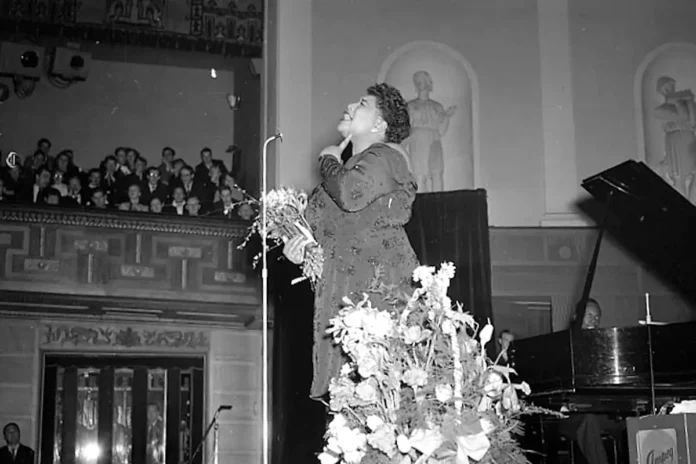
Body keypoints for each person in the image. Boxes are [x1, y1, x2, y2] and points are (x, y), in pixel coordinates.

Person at [283, 83, 420, 399]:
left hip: (376, 295)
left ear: (379, 124)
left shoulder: (387, 156)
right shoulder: (347, 169)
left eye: (361, 103)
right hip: (341, 297)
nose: (349, 105)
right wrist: (300, 252)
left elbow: (351, 194)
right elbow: (320, 231)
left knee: (381, 399)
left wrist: (329, 159)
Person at [560, 298, 613, 464]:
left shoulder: (604, 345)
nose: (594, 320)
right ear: (576, 316)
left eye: (597, 317)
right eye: (589, 315)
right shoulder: (563, 344)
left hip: (599, 408)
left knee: (634, 416)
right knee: (588, 419)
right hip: (570, 413)